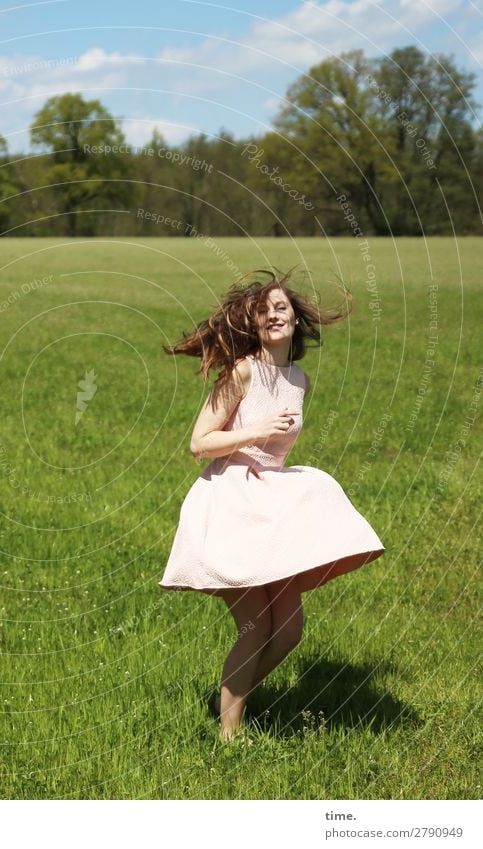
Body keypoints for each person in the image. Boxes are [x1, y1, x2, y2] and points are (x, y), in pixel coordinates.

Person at [158, 268, 385, 742]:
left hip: (270, 505)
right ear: (255, 324)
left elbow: (278, 452)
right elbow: (200, 443)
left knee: (289, 631)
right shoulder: (242, 371)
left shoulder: (298, 378)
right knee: (256, 626)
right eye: (265, 311)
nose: (274, 314)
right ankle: (229, 733)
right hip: (230, 501)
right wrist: (258, 431)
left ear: (295, 321)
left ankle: (233, 698)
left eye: (282, 307)